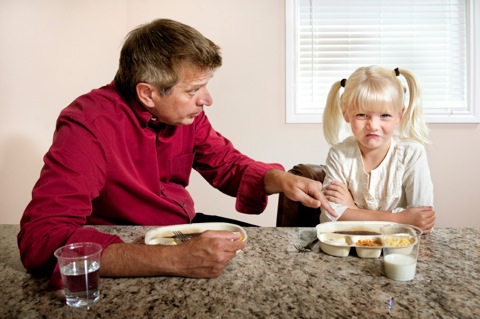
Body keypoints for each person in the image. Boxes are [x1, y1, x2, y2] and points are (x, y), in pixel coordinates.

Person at [17, 19, 335, 290]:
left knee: (267, 260)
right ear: (148, 93)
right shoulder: (88, 126)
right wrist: (174, 260)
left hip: (178, 228)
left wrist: (279, 179)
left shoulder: (182, 115)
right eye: (194, 90)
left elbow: (225, 163)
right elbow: (42, 239)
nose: (206, 100)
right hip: (124, 245)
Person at [319, 65, 435, 233]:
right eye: (361, 115)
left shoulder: (412, 153)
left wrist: (353, 211)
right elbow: (329, 217)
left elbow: (422, 221)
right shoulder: (339, 154)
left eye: (384, 115)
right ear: (346, 114)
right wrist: (400, 219)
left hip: (399, 251)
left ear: (399, 115)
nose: (373, 125)